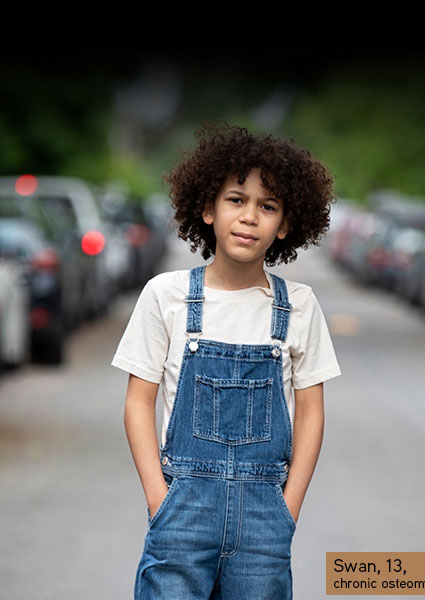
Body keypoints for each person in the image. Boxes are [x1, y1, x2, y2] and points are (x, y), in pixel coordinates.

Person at [111, 121, 342, 599]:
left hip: (265, 520)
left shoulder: (298, 305)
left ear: (286, 225)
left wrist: (288, 509)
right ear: (207, 209)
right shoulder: (166, 295)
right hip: (182, 513)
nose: (250, 216)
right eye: (236, 199)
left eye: (268, 206)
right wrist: (160, 500)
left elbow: (312, 412)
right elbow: (139, 402)